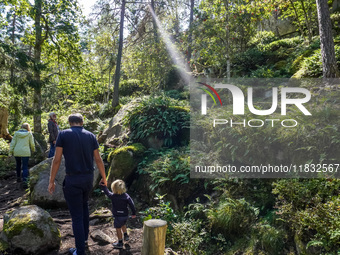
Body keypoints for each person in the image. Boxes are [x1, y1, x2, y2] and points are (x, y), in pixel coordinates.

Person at [48, 113, 107, 255]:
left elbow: (56, 160)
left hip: (72, 180)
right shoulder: (91, 135)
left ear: (69, 122)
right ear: (82, 122)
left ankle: (80, 250)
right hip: (88, 179)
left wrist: (51, 181)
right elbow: (98, 159)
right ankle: (84, 241)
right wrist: (104, 177)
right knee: (84, 206)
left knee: (76, 216)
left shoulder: (63, 134)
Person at [100, 179, 136, 249]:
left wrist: (103, 186)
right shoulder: (126, 196)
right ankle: (126, 235)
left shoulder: (113, 196)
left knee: (118, 228)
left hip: (118, 216)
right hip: (125, 216)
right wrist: (134, 213)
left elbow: (107, 192)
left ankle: (120, 243)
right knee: (123, 224)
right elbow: (132, 204)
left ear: (113, 188)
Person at [9, 123, 35, 187]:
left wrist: (10, 152)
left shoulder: (16, 133)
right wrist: (33, 150)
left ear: (21, 127)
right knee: (25, 166)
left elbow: (13, 143)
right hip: (25, 152)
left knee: (18, 164)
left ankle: (18, 178)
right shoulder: (29, 134)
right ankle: (25, 181)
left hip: (17, 151)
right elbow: (32, 143)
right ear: (28, 128)